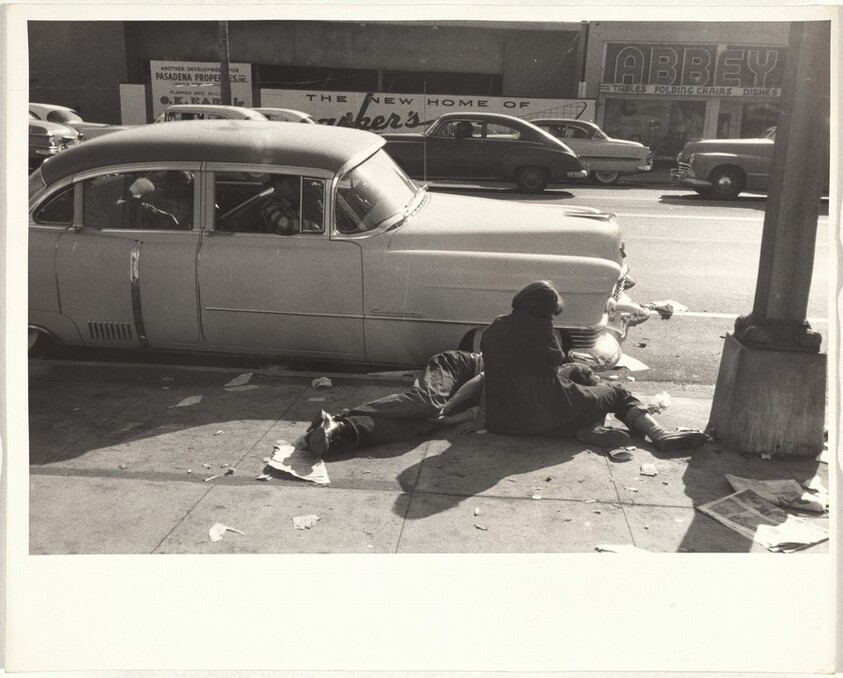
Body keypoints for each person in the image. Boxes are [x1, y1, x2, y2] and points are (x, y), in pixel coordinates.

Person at [480, 280, 710, 452]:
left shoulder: (495, 327)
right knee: (616, 392)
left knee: (580, 395)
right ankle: (658, 434)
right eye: (551, 315)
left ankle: (585, 427)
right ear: (543, 312)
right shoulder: (541, 329)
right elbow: (558, 360)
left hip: (501, 421)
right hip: (540, 416)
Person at [305, 350, 484, 457]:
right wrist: (448, 407)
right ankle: (341, 416)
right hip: (456, 366)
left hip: (462, 392)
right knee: (429, 403)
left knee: (422, 424)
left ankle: (339, 429)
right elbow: (479, 381)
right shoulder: (509, 366)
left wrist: (447, 420)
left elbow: (479, 410)